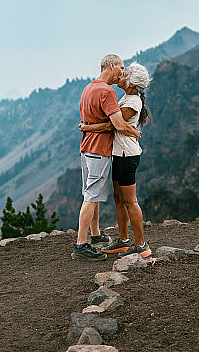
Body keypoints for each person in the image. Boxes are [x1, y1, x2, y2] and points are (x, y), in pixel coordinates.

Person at [73, 54, 142, 261]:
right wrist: (134, 132)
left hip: (86, 148)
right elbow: (118, 124)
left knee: (91, 192)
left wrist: (86, 127)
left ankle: (95, 235)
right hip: (99, 150)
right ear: (111, 66)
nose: (122, 71)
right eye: (121, 67)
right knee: (92, 196)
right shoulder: (107, 92)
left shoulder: (89, 88)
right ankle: (81, 244)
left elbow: (89, 119)